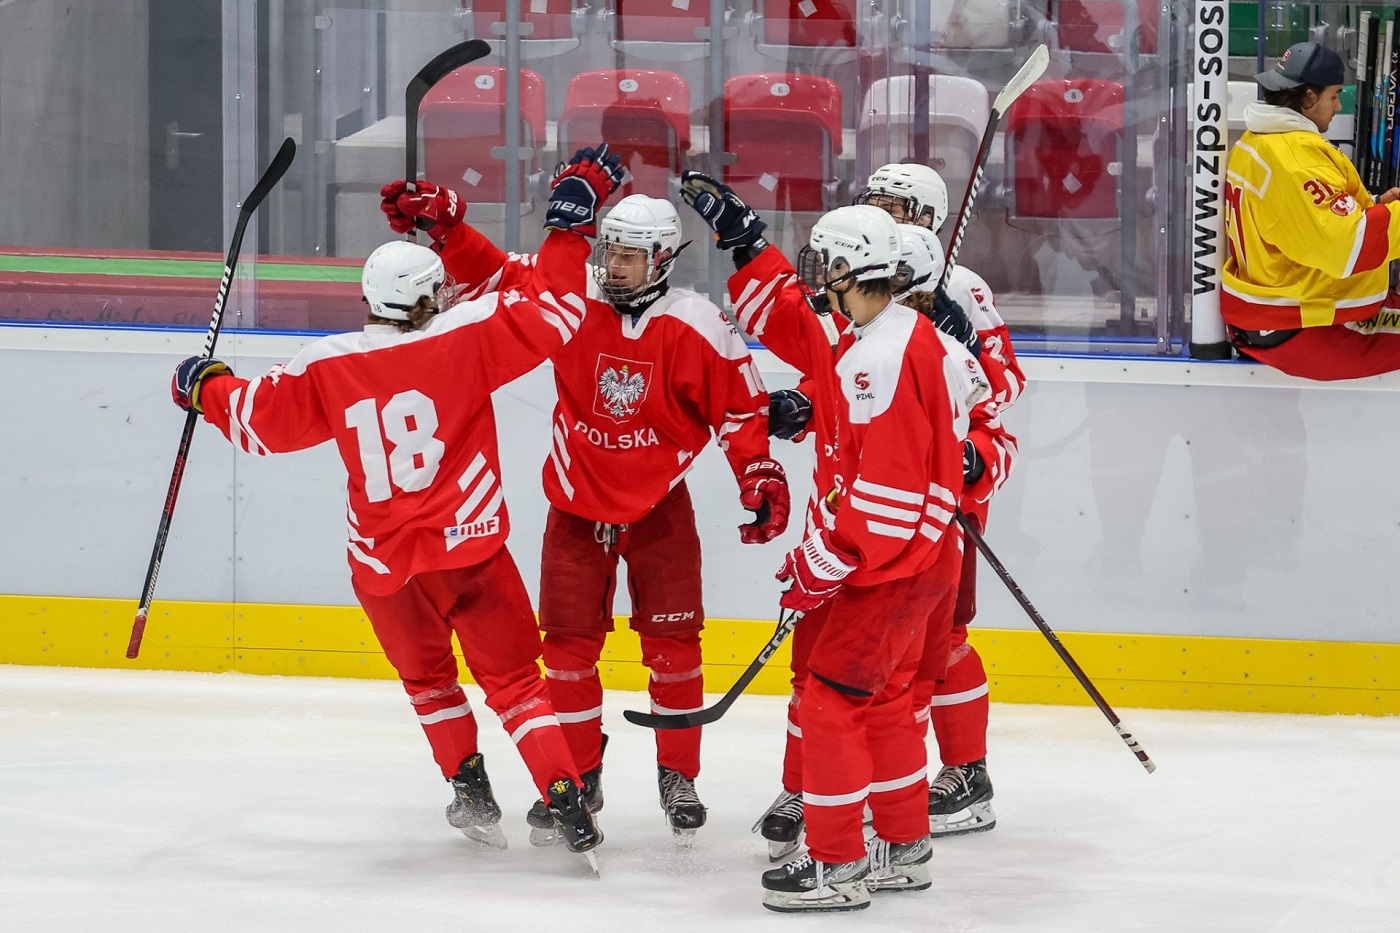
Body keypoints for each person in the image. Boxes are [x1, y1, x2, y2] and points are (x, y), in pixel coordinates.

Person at [168, 146, 625, 863]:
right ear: (431, 297)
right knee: (514, 684)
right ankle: (564, 793)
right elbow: (559, 310)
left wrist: (205, 385)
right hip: (470, 550)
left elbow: (261, 423)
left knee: (427, 680)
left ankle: (470, 787)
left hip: (383, 566)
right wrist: (569, 227)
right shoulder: (467, 335)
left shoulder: (330, 361)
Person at [379, 179, 790, 843]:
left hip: (659, 508)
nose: (612, 263)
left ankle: (678, 772)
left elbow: (740, 410)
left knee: (675, 649)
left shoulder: (698, 324)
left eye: (628, 253)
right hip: (574, 508)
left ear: (661, 258)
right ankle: (579, 774)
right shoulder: (572, 301)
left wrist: (760, 472)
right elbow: (501, 277)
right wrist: (450, 231)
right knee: (567, 653)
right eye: (608, 249)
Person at [682, 172, 967, 912]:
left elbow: (889, 489)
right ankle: (903, 845)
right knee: (887, 702)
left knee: (832, 701)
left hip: (886, 569)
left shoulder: (879, 358)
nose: (816, 277)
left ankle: (837, 863)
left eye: (824, 265)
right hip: (921, 562)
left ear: (850, 271)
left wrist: (830, 556)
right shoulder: (900, 333)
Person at [1223, 40, 1400, 380]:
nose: (1337, 106)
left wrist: (1376, 206)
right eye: (1333, 95)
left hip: (1274, 316)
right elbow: (1347, 246)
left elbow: (1306, 223)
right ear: (1307, 97)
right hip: (1303, 325)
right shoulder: (1294, 159)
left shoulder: (1255, 142)